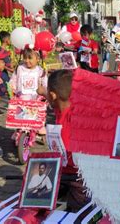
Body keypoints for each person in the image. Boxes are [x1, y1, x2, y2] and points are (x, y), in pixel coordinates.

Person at [46, 70, 90, 212]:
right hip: (61, 170)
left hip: (80, 177)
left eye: (47, 93)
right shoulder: (59, 109)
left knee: (78, 211)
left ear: (52, 95)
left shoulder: (78, 118)